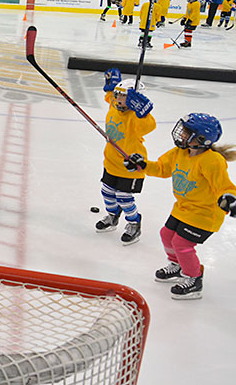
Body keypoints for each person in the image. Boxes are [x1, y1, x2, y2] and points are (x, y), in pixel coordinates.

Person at [125, 113, 236, 299]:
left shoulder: (212, 161)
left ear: (201, 139)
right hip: (183, 208)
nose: (181, 134)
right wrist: (142, 165)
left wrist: (229, 198)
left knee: (181, 243)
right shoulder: (179, 153)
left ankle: (194, 278)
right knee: (166, 235)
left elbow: (224, 186)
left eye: (186, 132)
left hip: (204, 214)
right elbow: (162, 168)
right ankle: (177, 265)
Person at [96, 69, 156, 244]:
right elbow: (109, 97)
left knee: (124, 197)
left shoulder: (136, 118)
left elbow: (149, 126)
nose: (117, 98)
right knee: (107, 192)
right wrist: (110, 87)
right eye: (117, 94)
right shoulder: (114, 104)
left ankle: (134, 222)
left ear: (133, 100)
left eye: (122, 96)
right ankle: (113, 216)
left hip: (130, 164)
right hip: (111, 161)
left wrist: (143, 114)